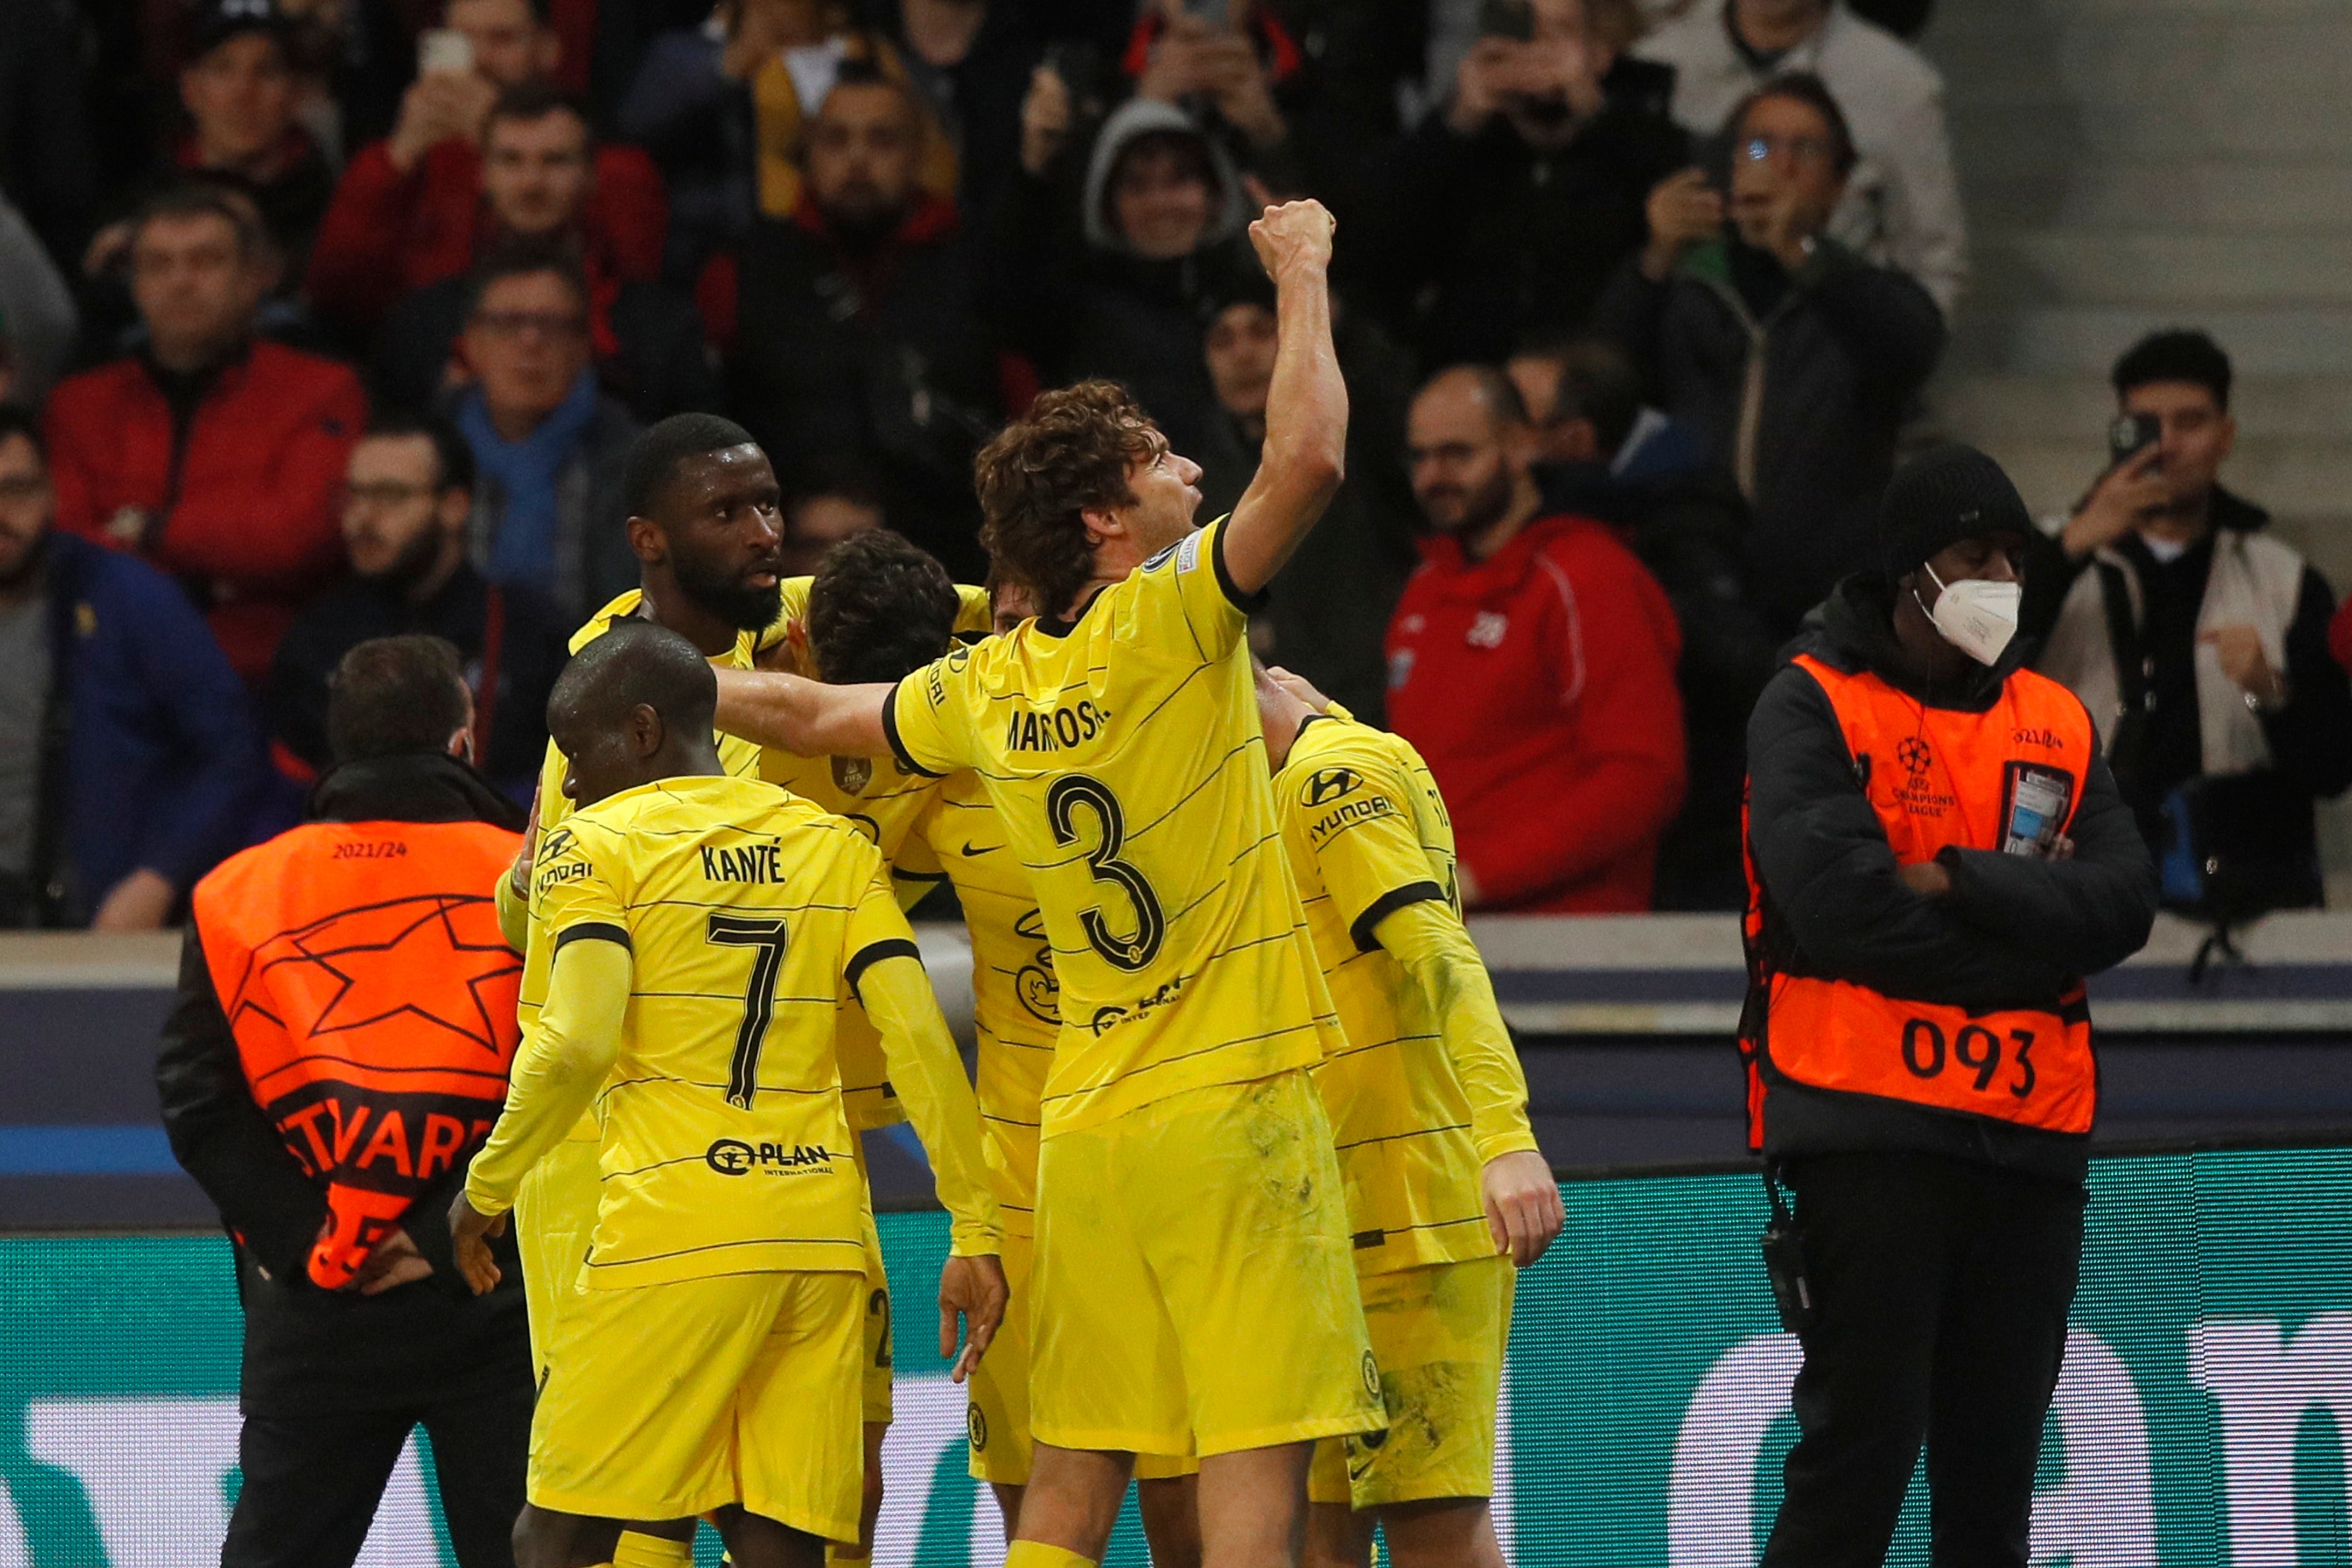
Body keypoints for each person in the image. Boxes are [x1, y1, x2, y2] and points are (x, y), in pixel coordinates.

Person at [708, 200, 1388, 1568]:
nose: (1189, 466)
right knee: (1257, 1450)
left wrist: (664, 673)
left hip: (1085, 1133)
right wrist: (1307, 267)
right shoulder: (1175, 618)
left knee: (1077, 1476)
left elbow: (817, 716)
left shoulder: (983, 685)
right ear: (1104, 521)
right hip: (1232, 1102)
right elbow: (1307, 454)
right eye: (1156, 460)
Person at [447, 619, 1005, 1568]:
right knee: (776, 1542)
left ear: (643, 731)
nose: (570, 781)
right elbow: (916, 1040)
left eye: (578, 752)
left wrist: (488, 1187)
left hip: (673, 1231)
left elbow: (575, 1039)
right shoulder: (829, 846)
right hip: (818, 1237)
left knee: (554, 1537)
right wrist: (976, 1228)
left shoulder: (596, 844)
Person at [1740, 444, 2157, 1567]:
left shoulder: (2055, 718)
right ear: (1911, 571)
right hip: (1868, 1127)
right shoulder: (1811, 702)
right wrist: (2034, 941)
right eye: (1976, 555)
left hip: (2027, 1143)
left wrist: (1965, 880)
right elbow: (1842, 912)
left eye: (2016, 557)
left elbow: (2123, 900)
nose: (2002, 580)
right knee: (1857, 1468)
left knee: (1994, 1495)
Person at [156, 634, 534, 1567]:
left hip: (314, 1305)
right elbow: (562, 1078)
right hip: (493, 1300)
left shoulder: (237, 891)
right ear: (463, 739)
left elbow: (199, 1098)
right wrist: (449, 1236)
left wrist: (314, 1240)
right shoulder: (535, 877)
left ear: (340, 750)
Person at [1252, 663, 1562, 1568]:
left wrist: (1504, 1137)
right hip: (1334, 1215)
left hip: (1414, 1218)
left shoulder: (1329, 779)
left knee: (1433, 1530)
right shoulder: (1316, 767)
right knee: (1322, 1537)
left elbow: (1439, 952)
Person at [1594, 73, 1943, 636]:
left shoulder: (1860, 291)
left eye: (1805, 150)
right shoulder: (1686, 283)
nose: (1777, 165)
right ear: (1730, 166)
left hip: (1829, 597)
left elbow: (1913, 346)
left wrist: (1799, 251)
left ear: (1837, 184)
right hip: (1694, 584)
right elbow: (1603, 379)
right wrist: (1654, 256)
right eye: (1758, 146)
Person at [2030, 330, 2352, 921]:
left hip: (2242, 900)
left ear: (2225, 436)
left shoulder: (2284, 580)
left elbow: (2333, 768)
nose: (2169, 445)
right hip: (2076, 890)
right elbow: (1971, 671)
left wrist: (2269, 688)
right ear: (2118, 433)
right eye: (2148, 425)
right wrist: (2073, 541)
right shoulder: (2045, 561)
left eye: (2191, 422)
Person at [1385, 366, 1686, 913]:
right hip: (1450, 931)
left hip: (1572, 944)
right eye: (1420, 457)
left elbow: (1643, 775)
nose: (1433, 476)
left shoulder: (1590, 577)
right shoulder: (1427, 589)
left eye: (1457, 454)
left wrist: (1479, 876)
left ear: (1521, 447)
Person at [45, 184, 366, 684]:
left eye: (206, 261)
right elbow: (66, 547)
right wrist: (216, 575)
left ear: (252, 278)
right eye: (158, 264)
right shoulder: (78, 404)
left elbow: (295, 538)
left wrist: (150, 531)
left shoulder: (322, 390)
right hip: (108, 668)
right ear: (135, 285)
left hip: (264, 673)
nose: (181, 281)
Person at [1521, 337, 1775, 910]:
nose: (1504, 442)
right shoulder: (1611, 515)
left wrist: (1635, 605)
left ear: (1576, 440)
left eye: (1520, 424)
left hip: (1698, 842)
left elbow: (1742, 665)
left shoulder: (1675, 523)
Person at [729, 65, 1002, 581]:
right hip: (784, 552)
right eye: (837, 139)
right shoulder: (753, 270)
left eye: (881, 140)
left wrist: (889, 521)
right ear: (808, 152)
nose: (857, 159)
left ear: (918, 155)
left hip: (945, 555)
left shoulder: (974, 267)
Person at [0, 405, 263, 930]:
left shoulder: (127, 597)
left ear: (52, 493)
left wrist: (158, 877)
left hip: (93, 924)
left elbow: (231, 751)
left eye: (17, 489)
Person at [1345, 0, 1688, 369]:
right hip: (1466, 378)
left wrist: (1593, 111)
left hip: (1593, 380)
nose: (1537, 48)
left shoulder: (1641, 140)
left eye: (1559, 32)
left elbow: (1666, 189)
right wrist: (1458, 121)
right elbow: (1372, 252)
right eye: (1524, 31)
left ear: (1601, 54)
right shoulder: (1462, 145)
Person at [306, 0, 668, 337]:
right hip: (430, 355)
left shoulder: (619, 169)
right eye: (462, 41)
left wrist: (503, 136)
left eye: (502, 39)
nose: (479, 60)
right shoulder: (408, 161)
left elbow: (636, 285)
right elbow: (335, 294)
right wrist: (394, 160)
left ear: (548, 50)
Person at [374, 84, 720, 424]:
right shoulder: (425, 320)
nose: (531, 184)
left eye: (555, 161)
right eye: (511, 160)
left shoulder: (660, 326)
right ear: (483, 175)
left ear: (591, 176)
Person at [270, 411, 571, 802]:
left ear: (455, 506)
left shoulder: (532, 632)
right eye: (353, 495)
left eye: (390, 496)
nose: (362, 518)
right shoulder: (316, 636)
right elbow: (291, 783)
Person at [1633, 0, 1964, 316]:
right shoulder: (1655, 63)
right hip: (1687, 349)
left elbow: (1934, 267)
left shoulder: (1896, 84)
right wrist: (1659, 242)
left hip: (1834, 346)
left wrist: (1894, 354)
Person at [1194, 272, 1420, 725]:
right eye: (1223, 340)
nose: (1243, 354)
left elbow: (1378, 375)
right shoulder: (1197, 484)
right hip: (1272, 727)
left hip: (1383, 709)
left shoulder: (1362, 443)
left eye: (1262, 331)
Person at [992, 89, 1259, 461]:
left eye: (1180, 178)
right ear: (1108, 206)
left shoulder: (1264, 291)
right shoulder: (1076, 312)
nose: (1162, 202)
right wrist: (1034, 170)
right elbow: (1004, 300)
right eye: (1137, 185)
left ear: (1216, 193)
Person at [448, 246, 642, 622]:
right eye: (507, 323)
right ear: (472, 342)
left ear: (583, 345)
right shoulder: (429, 453)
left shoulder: (634, 463)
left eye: (552, 326)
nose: (530, 342)